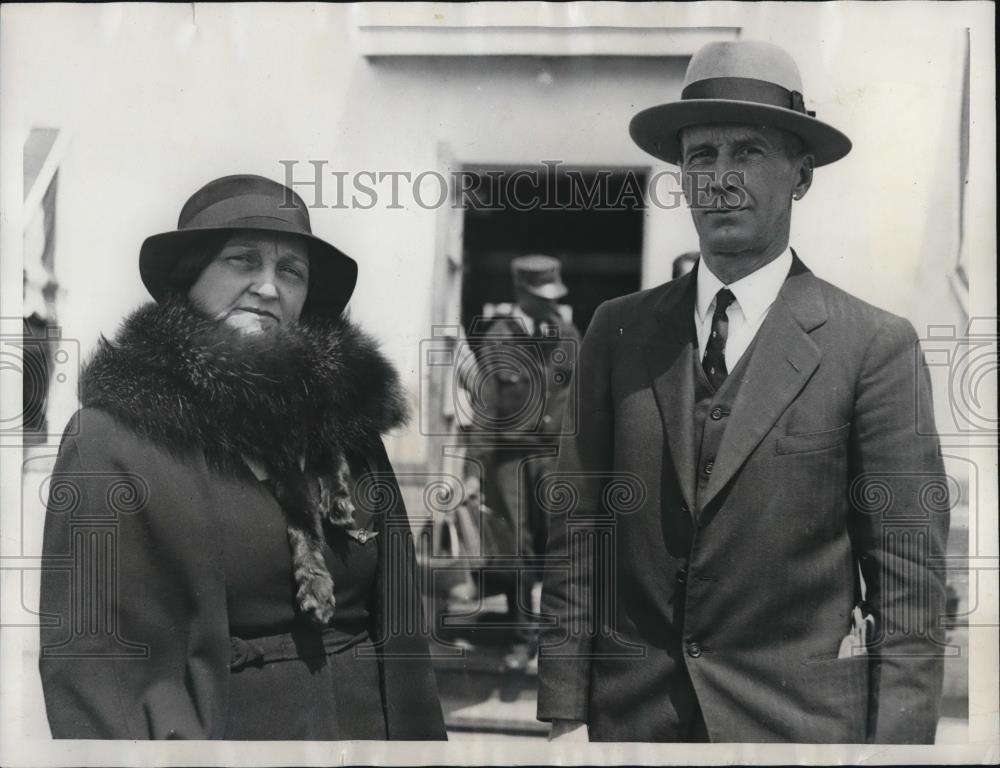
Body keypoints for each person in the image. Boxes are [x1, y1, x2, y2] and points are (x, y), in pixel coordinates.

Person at [537, 41, 949, 743]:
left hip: (797, 730)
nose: (721, 179)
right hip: (634, 728)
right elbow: (580, 538)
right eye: (701, 157)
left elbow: (909, 586)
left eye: (749, 152)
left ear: (801, 175)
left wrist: (898, 752)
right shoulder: (617, 331)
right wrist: (565, 714)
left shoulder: (873, 346)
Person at [38, 175, 447, 740]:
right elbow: (93, 667)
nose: (268, 287)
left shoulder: (349, 435)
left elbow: (402, 636)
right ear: (191, 277)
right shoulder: (114, 440)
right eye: (241, 260)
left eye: (291, 271)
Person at [472, 255, 580, 671]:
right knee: (517, 550)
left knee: (559, 549)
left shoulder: (567, 333)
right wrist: (474, 469)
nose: (549, 305)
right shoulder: (498, 337)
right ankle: (521, 638)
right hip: (511, 460)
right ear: (520, 293)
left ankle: (555, 641)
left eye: (554, 296)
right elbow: (485, 408)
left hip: (557, 458)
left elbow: (583, 399)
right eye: (541, 297)